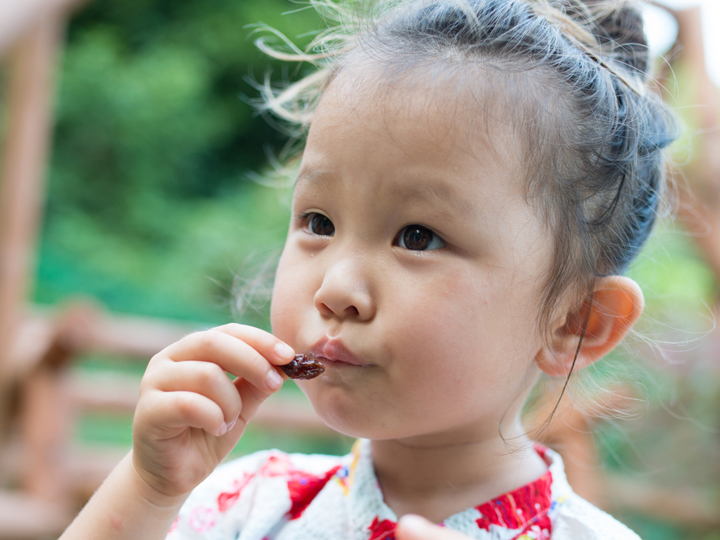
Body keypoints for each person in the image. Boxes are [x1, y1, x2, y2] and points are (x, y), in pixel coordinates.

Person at [59, 0, 676, 539]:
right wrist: (148, 491)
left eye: (418, 236)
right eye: (319, 223)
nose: (336, 288)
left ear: (575, 321)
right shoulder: (245, 505)